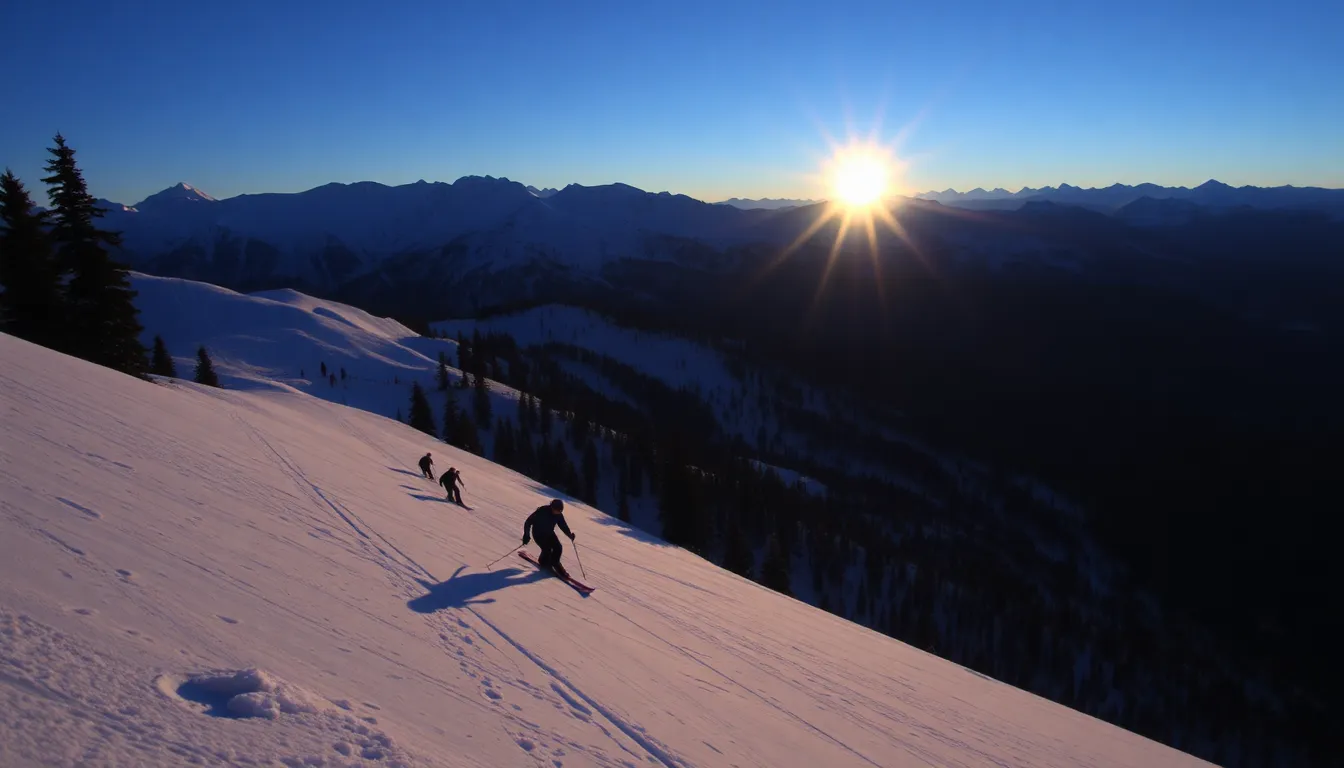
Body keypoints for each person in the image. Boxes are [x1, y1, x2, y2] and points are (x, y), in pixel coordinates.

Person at [522, 499, 575, 579]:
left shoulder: (559, 515)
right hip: (538, 534)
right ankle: (543, 561)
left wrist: (569, 535)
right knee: (547, 549)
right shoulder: (542, 511)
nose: (558, 512)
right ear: (552, 507)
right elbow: (528, 522)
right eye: (557, 510)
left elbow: (563, 525)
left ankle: (554, 563)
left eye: (560, 511)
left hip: (549, 533)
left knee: (558, 547)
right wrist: (526, 535)